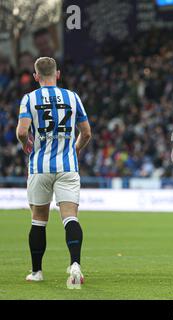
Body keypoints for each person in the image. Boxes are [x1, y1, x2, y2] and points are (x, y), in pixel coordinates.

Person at [16, 57, 91, 289]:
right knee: (70, 217)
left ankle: (37, 272)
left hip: (40, 167)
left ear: (36, 77)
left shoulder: (29, 98)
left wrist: (27, 147)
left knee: (39, 220)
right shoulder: (73, 97)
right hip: (67, 166)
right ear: (57, 74)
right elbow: (86, 133)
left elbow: (21, 132)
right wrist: (74, 149)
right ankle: (75, 264)